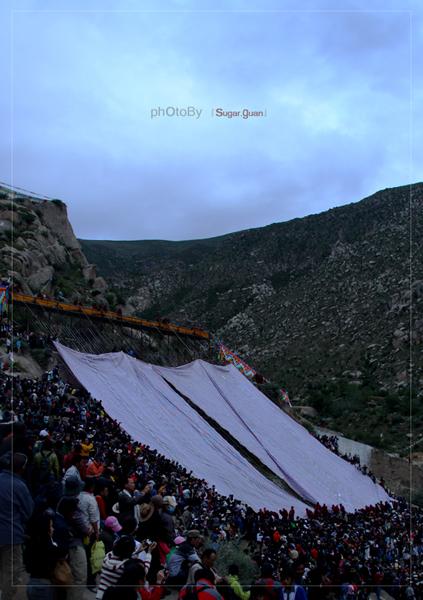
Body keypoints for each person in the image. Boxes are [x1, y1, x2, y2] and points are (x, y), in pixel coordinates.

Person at [0, 453, 34, 600]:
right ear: (23, 469)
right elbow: (28, 513)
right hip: (10, 536)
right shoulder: (20, 486)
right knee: (11, 572)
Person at [24, 512, 60, 600]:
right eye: (50, 526)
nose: (52, 529)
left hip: (31, 584)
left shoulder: (29, 542)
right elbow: (63, 554)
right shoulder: (47, 544)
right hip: (44, 586)